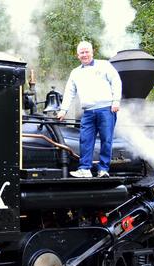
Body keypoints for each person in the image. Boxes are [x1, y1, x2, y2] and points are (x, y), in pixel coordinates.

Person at [57, 41, 122, 178]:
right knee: (85, 139)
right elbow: (70, 92)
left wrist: (116, 101)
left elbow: (116, 81)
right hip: (88, 112)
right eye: (82, 52)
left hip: (106, 109)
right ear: (78, 55)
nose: (85, 55)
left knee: (106, 140)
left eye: (87, 52)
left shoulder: (104, 65)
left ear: (92, 52)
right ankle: (85, 169)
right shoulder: (75, 73)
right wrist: (63, 110)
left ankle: (103, 169)